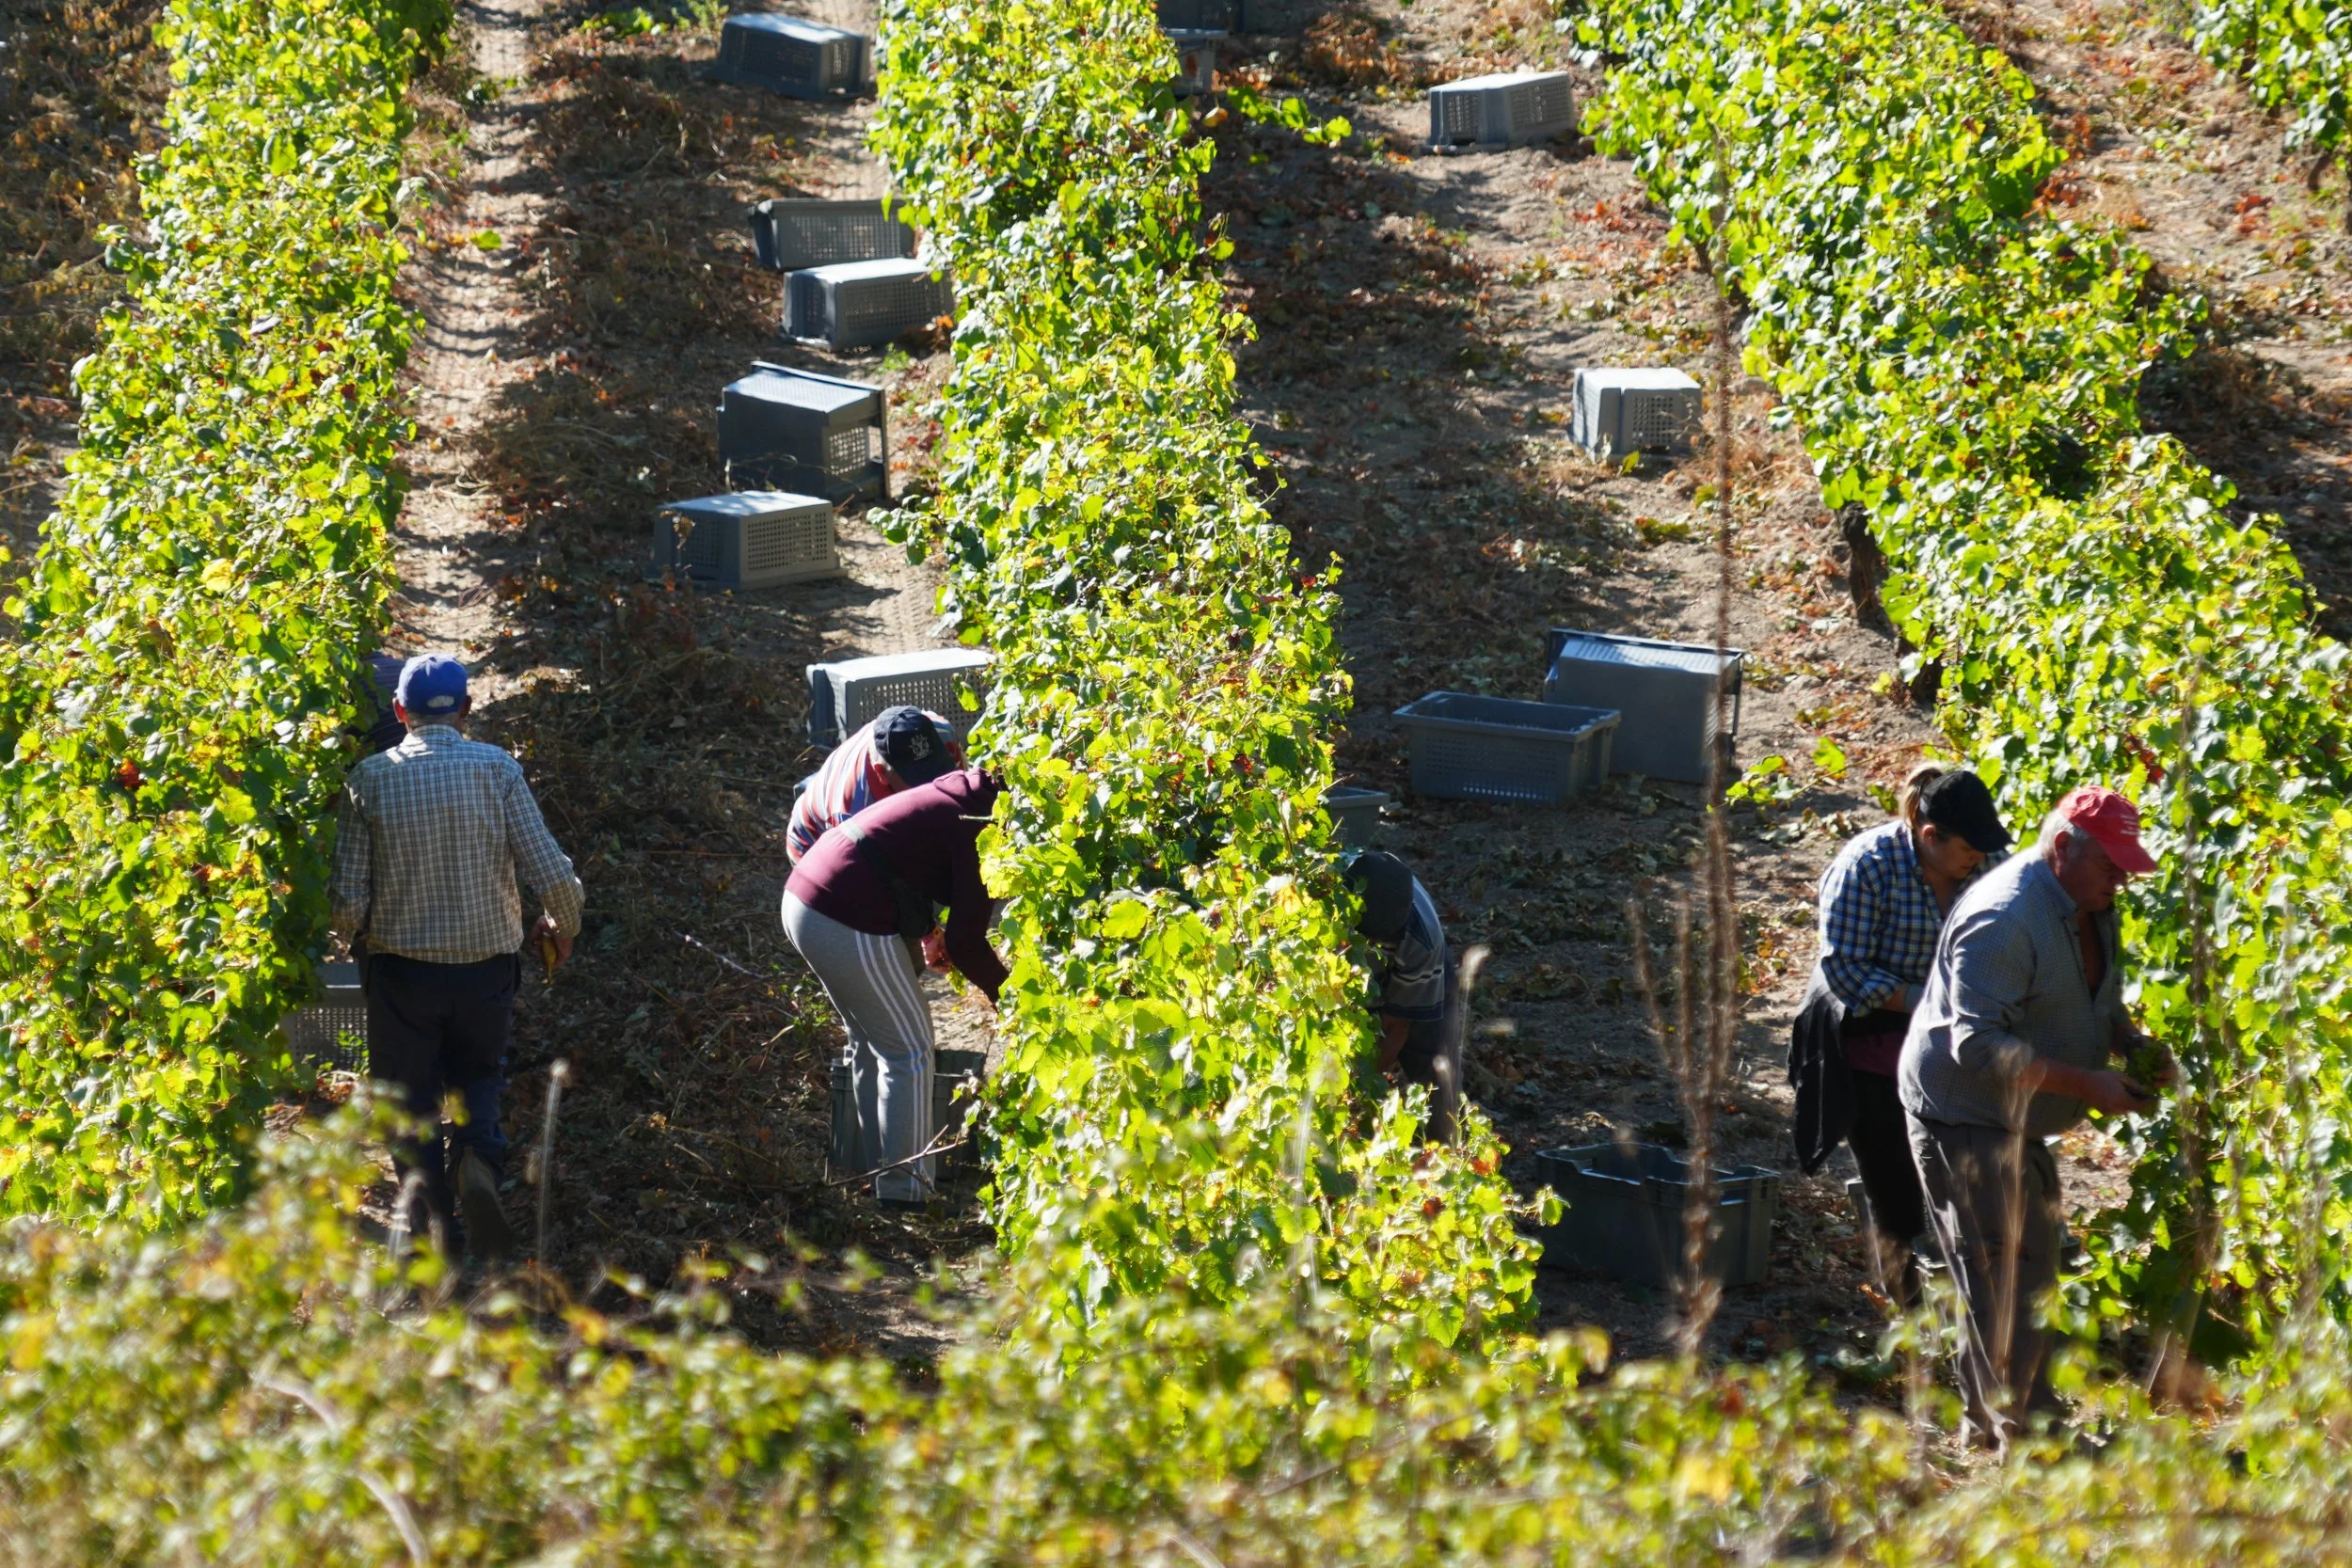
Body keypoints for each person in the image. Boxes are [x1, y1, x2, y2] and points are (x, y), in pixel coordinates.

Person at [1899, 784, 2161, 1449]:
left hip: (2017, 1116)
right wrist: (2086, 1083)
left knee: (2020, 1268)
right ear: (2063, 847)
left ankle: (1987, 1427)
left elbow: (2096, 996)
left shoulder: (2090, 902)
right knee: (2002, 1273)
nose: (2122, 881)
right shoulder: (2004, 918)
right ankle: (2031, 1436)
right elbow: (1976, 1045)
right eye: (2113, 865)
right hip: (1963, 1112)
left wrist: (2128, 1041)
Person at [330, 655, 585, 1260]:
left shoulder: (367, 779)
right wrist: (561, 925)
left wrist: (352, 938)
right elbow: (554, 875)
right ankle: (477, 1162)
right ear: (467, 711)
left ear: (399, 712)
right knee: (479, 1074)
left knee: (409, 1099)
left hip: (401, 975)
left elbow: (346, 900)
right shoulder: (498, 770)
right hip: (486, 971)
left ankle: (433, 1225)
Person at [1790, 766, 2010, 1299]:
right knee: (1891, 1168)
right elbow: (1845, 969)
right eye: (1968, 849)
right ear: (1930, 837)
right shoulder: (1867, 867)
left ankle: (1958, 1282)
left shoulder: (1989, 864)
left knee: (1962, 1157)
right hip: (1870, 1021)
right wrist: (1926, 1004)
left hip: (1952, 1022)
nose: (1979, 860)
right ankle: (1903, 1300)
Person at [783, 765, 1006, 1208]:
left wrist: (929, 929)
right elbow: (967, 942)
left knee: (871, 1040)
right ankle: (905, 1196)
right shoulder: (986, 826)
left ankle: (868, 1172)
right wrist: (1011, 997)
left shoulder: (961, 793)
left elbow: (904, 861)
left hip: (807, 897)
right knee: (910, 1049)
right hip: (841, 910)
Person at [1343, 850, 1455, 1136]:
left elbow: (1395, 1027)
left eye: (1377, 943)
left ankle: (1444, 1151)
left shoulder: (1423, 941)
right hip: (1339, 961)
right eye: (1364, 940)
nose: (1371, 948)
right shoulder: (1321, 903)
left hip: (1417, 969)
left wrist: (1360, 1091)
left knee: (1432, 1059)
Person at [786, 705, 965, 867]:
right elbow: (854, 877)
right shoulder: (852, 810)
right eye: (916, 781)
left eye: (936, 771)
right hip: (814, 846)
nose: (931, 788)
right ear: (882, 774)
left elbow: (964, 798)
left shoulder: (942, 734)